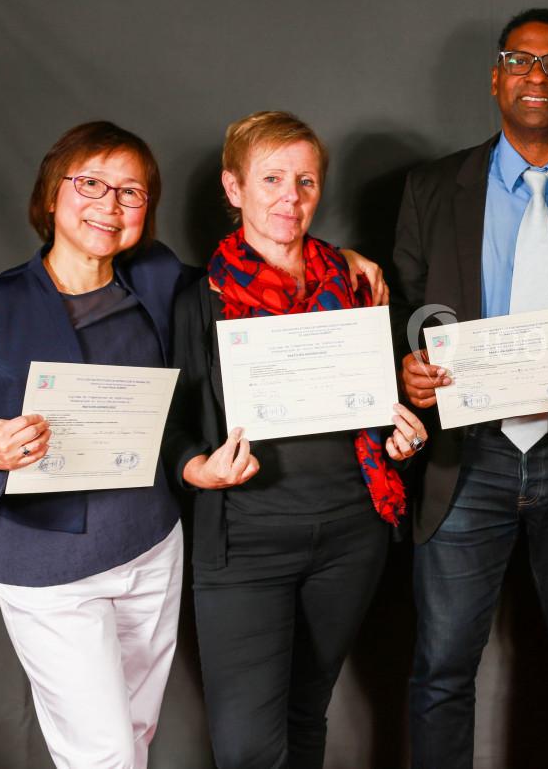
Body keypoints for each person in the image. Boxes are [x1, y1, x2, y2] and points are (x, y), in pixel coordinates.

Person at [391, 8, 548, 768]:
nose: (539, 76)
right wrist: (409, 364)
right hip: (468, 456)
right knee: (440, 668)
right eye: (521, 61)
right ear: (496, 78)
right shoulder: (434, 187)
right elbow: (406, 306)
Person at [0, 122, 189, 769]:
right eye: (90, 183)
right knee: (104, 754)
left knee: (137, 731)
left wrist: (337, 259)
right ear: (51, 194)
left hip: (152, 542)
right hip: (45, 563)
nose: (110, 204)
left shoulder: (154, 276)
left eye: (131, 192)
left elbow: (243, 280)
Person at [162, 110, 426, 769]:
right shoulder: (199, 298)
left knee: (306, 713)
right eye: (271, 178)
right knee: (250, 745)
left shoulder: (358, 282)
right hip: (245, 540)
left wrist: (401, 438)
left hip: (351, 532)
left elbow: (376, 402)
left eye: (305, 182)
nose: (290, 197)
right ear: (233, 188)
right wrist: (195, 468)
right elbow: (172, 424)